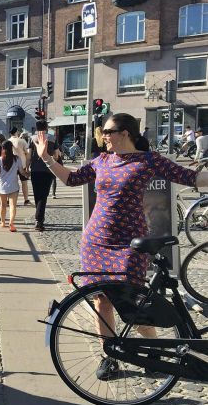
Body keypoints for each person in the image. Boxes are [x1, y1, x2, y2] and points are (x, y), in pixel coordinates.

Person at [37, 113, 208, 380]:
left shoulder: (149, 160)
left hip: (129, 244)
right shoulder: (102, 160)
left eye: (107, 131)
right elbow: (71, 179)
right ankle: (111, 355)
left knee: (133, 304)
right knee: (101, 300)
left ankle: (153, 352)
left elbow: (190, 178)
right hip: (96, 242)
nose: (102, 136)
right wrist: (47, 158)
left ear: (125, 133)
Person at [28, 120, 61, 232]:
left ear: (36, 128)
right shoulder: (52, 138)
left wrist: (27, 167)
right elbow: (56, 155)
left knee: (37, 194)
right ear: (46, 127)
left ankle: (39, 218)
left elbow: (28, 155)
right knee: (44, 195)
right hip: (48, 170)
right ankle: (39, 220)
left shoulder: (32, 138)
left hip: (35, 170)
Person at [0, 141, 20, 232]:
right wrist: (27, 173)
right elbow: (22, 171)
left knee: (3, 205)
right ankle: (11, 223)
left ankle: (3, 222)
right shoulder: (17, 159)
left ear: (3, 149)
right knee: (13, 206)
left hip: (2, 186)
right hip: (14, 186)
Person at [8, 127, 31, 205]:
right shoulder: (22, 141)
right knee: (24, 183)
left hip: (11, 165)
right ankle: (26, 200)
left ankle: (9, 200)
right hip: (22, 164)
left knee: (11, 182)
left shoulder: (8, 141)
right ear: (16, 132)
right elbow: (28, 152)